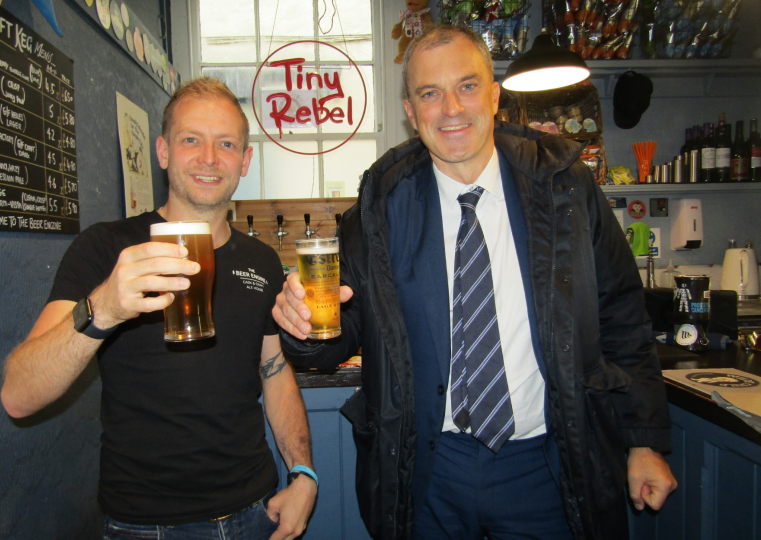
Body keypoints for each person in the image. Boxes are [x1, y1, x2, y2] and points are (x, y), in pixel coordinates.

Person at [273, 25, 676, 540]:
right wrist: (300, 326)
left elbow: (622, 314)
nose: (451, 109)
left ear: (494, 95)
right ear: (411, 111)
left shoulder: (566, 187)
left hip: (548, 465)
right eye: (429, 93)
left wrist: (643, 440)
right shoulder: (377, 213)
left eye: (466, 86)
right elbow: (332, 340)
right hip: (428, 473)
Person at [1, 78, 317, 540]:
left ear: (245, 161)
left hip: (256, 513)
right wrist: (102, 308)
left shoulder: (261, 261)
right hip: (143, 526)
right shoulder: (106, 248)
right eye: (192, 139)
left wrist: (303, 473)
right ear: (163, 151)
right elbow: (18, 395)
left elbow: (273, 370)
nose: (209, 158)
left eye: (226, 144)